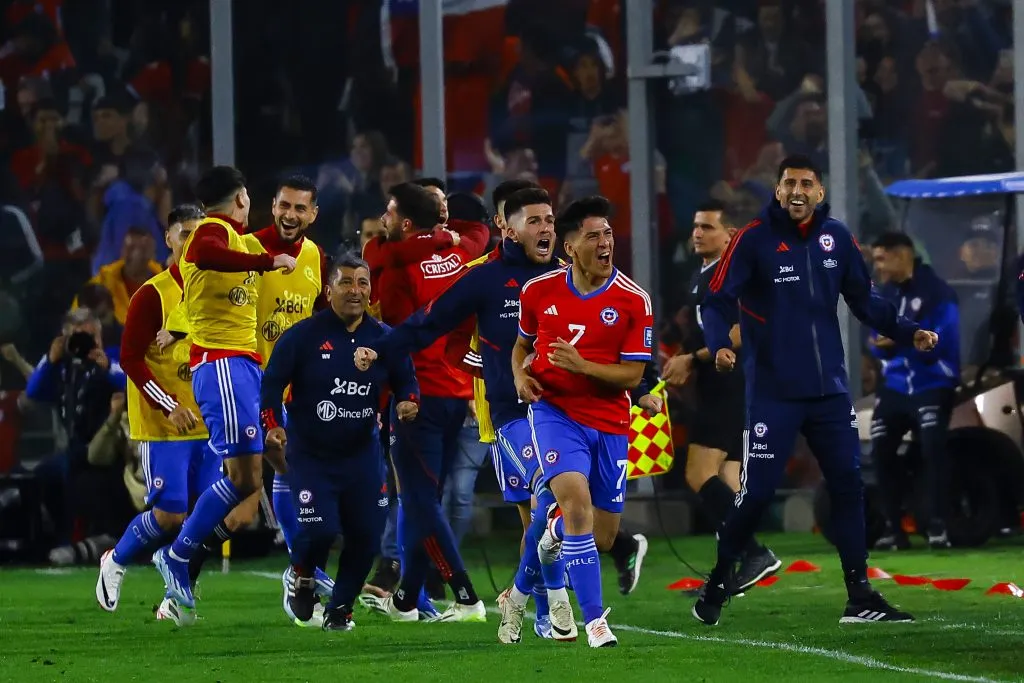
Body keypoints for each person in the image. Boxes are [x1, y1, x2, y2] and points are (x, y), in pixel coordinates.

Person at [692, 155, 939, 626]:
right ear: (778, 190)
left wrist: (910, 332)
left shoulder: (838, 239)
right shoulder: (752, 239)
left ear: (820, 193)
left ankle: (860, 598)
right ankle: (720, 578)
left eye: (807, 183)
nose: (798, 190)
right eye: (789, 183)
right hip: (773, 394)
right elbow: (717, 301)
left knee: (848, 485)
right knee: (757, 495)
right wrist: (719, 344)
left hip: (829, 392)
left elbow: (866, 301)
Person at [151, 166, 296, 614]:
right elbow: (211, 254)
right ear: (240, 199)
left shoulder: (246, 241)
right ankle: (177, 555)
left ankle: (304, 566)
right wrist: (263, 262)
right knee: (244, 477)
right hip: (222, 365)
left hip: (247, 368)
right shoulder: (210, 233)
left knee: (266, 468)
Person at [511, 195, 654, 648]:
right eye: (593, 235)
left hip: (610, 421)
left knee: (605, 537)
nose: (604, 241)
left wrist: (583, 366)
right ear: (570, 246)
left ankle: (550, 535)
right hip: (555, 412)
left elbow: (632, 375)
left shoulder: (634, 300)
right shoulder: (538, 291)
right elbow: (521, 346)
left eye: (608, 233)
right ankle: (595, 622)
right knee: (575, 506)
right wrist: (519, 376)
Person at [261, 253, 418, 632]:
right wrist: (271, 424)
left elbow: (405, 380)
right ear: (329, 289)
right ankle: (301, 575)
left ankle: (340, 609)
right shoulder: (302, 336)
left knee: (365, 537)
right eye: (346, 282)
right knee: (320, 531)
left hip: (363, 455)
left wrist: (410, 402)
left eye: (362, 283)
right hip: (312, 454)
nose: (355, 290)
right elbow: (271, 384)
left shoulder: (384, 338)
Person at [208, 174, 335, 622]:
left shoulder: (317, 256)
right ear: (272, 205)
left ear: (313, 214)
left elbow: (318, 316)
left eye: (301, 209)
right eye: (284, 205)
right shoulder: (245, 248)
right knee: (276, 467)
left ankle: (301, 567)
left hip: (301, 387)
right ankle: (299, 568)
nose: (290, 215)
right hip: (254, 381)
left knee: (301, 476)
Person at [362, 182, 487, 623]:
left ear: (407, 222)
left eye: (390, 212)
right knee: (426, 498)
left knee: (418, 502)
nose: (384, 219)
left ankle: (466, 595)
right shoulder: (462, 252)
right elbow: (479, 232)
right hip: (459, 393)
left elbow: (396, 333)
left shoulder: (397, 267)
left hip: (417, 397)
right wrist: (445, 234)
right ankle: (407, 599)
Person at [96, 204, 219, 626]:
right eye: (184, 235)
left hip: (207, 419)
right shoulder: (152, 294)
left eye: (200, 236)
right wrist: (170, 405)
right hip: (163, 422)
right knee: (170, 515)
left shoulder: (214, 289)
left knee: (207, 514)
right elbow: (131, 359)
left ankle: (174, 595)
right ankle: (116, 559)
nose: (191, 244)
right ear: (168, 239)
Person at [662, 200, 780, 594]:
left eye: (708, 227)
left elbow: (742, 333)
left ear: (730, 235)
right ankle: (727, 575)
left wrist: (691, 359)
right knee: (728, 482)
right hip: (729, 386)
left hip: (730, 385)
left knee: (698, 474)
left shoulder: (734, 277)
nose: (697, 233)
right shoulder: (704, 277)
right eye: (696, 226)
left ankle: (755, 552)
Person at [868, 232, 960, 550]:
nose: (877, 266)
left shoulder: (937, 292)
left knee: (932, 449)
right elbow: (875, 342)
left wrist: (901, 340)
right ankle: (895, 530)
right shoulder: (882, 295)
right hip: (894, 386)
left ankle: (938, 525)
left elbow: (944, 342)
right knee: (879, 450)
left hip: (933, 382)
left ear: (903, 254)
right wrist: (888, 346)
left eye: (882, 258)